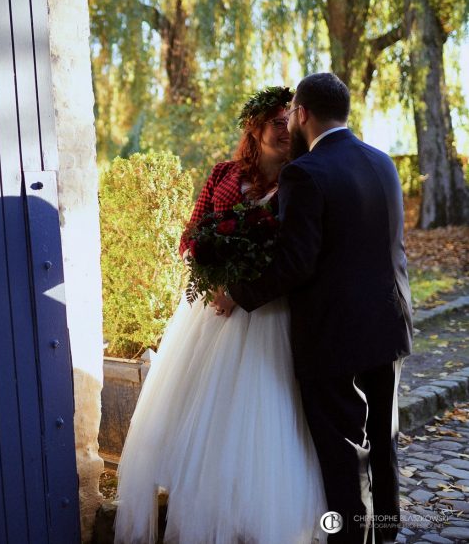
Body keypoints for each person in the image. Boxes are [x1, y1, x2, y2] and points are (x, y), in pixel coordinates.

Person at [113, 86, 329, 544]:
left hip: (270, 314)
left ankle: (258, 516)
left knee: (262, 412)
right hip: (212, 312)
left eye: (290, 121)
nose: (285, 130)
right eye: (276, 122)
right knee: (203, 413)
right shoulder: (223, 175)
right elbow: (192, 234)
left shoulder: (303, 178)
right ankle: (205, 506)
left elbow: (298, 254)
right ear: (255, 127)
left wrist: (242, 287)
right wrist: (211, 276)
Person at [213, 73, 413, 543]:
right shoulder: (383, 162)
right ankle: (385, 534)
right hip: (388, 326)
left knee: (345, 453)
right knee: (381, 445)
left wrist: (237, 293)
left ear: (301, 113)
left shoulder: (304, 174)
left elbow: (295, 264)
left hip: (334, 337)